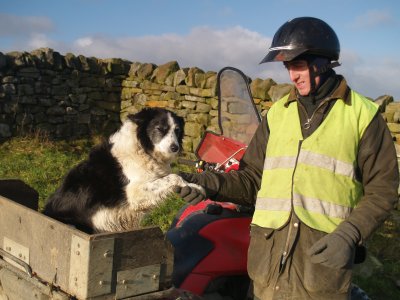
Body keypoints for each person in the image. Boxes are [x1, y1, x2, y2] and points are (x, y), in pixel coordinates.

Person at [175, 17, 399, 299]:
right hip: (268, 264)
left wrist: (349, 234)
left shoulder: (363, 117)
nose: (292, 75)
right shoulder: (278, 115)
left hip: (320, 265)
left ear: (322, 62)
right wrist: (204, 183)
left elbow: (383, 191)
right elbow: (251, 179)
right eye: (288, 67)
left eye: (298, 65)